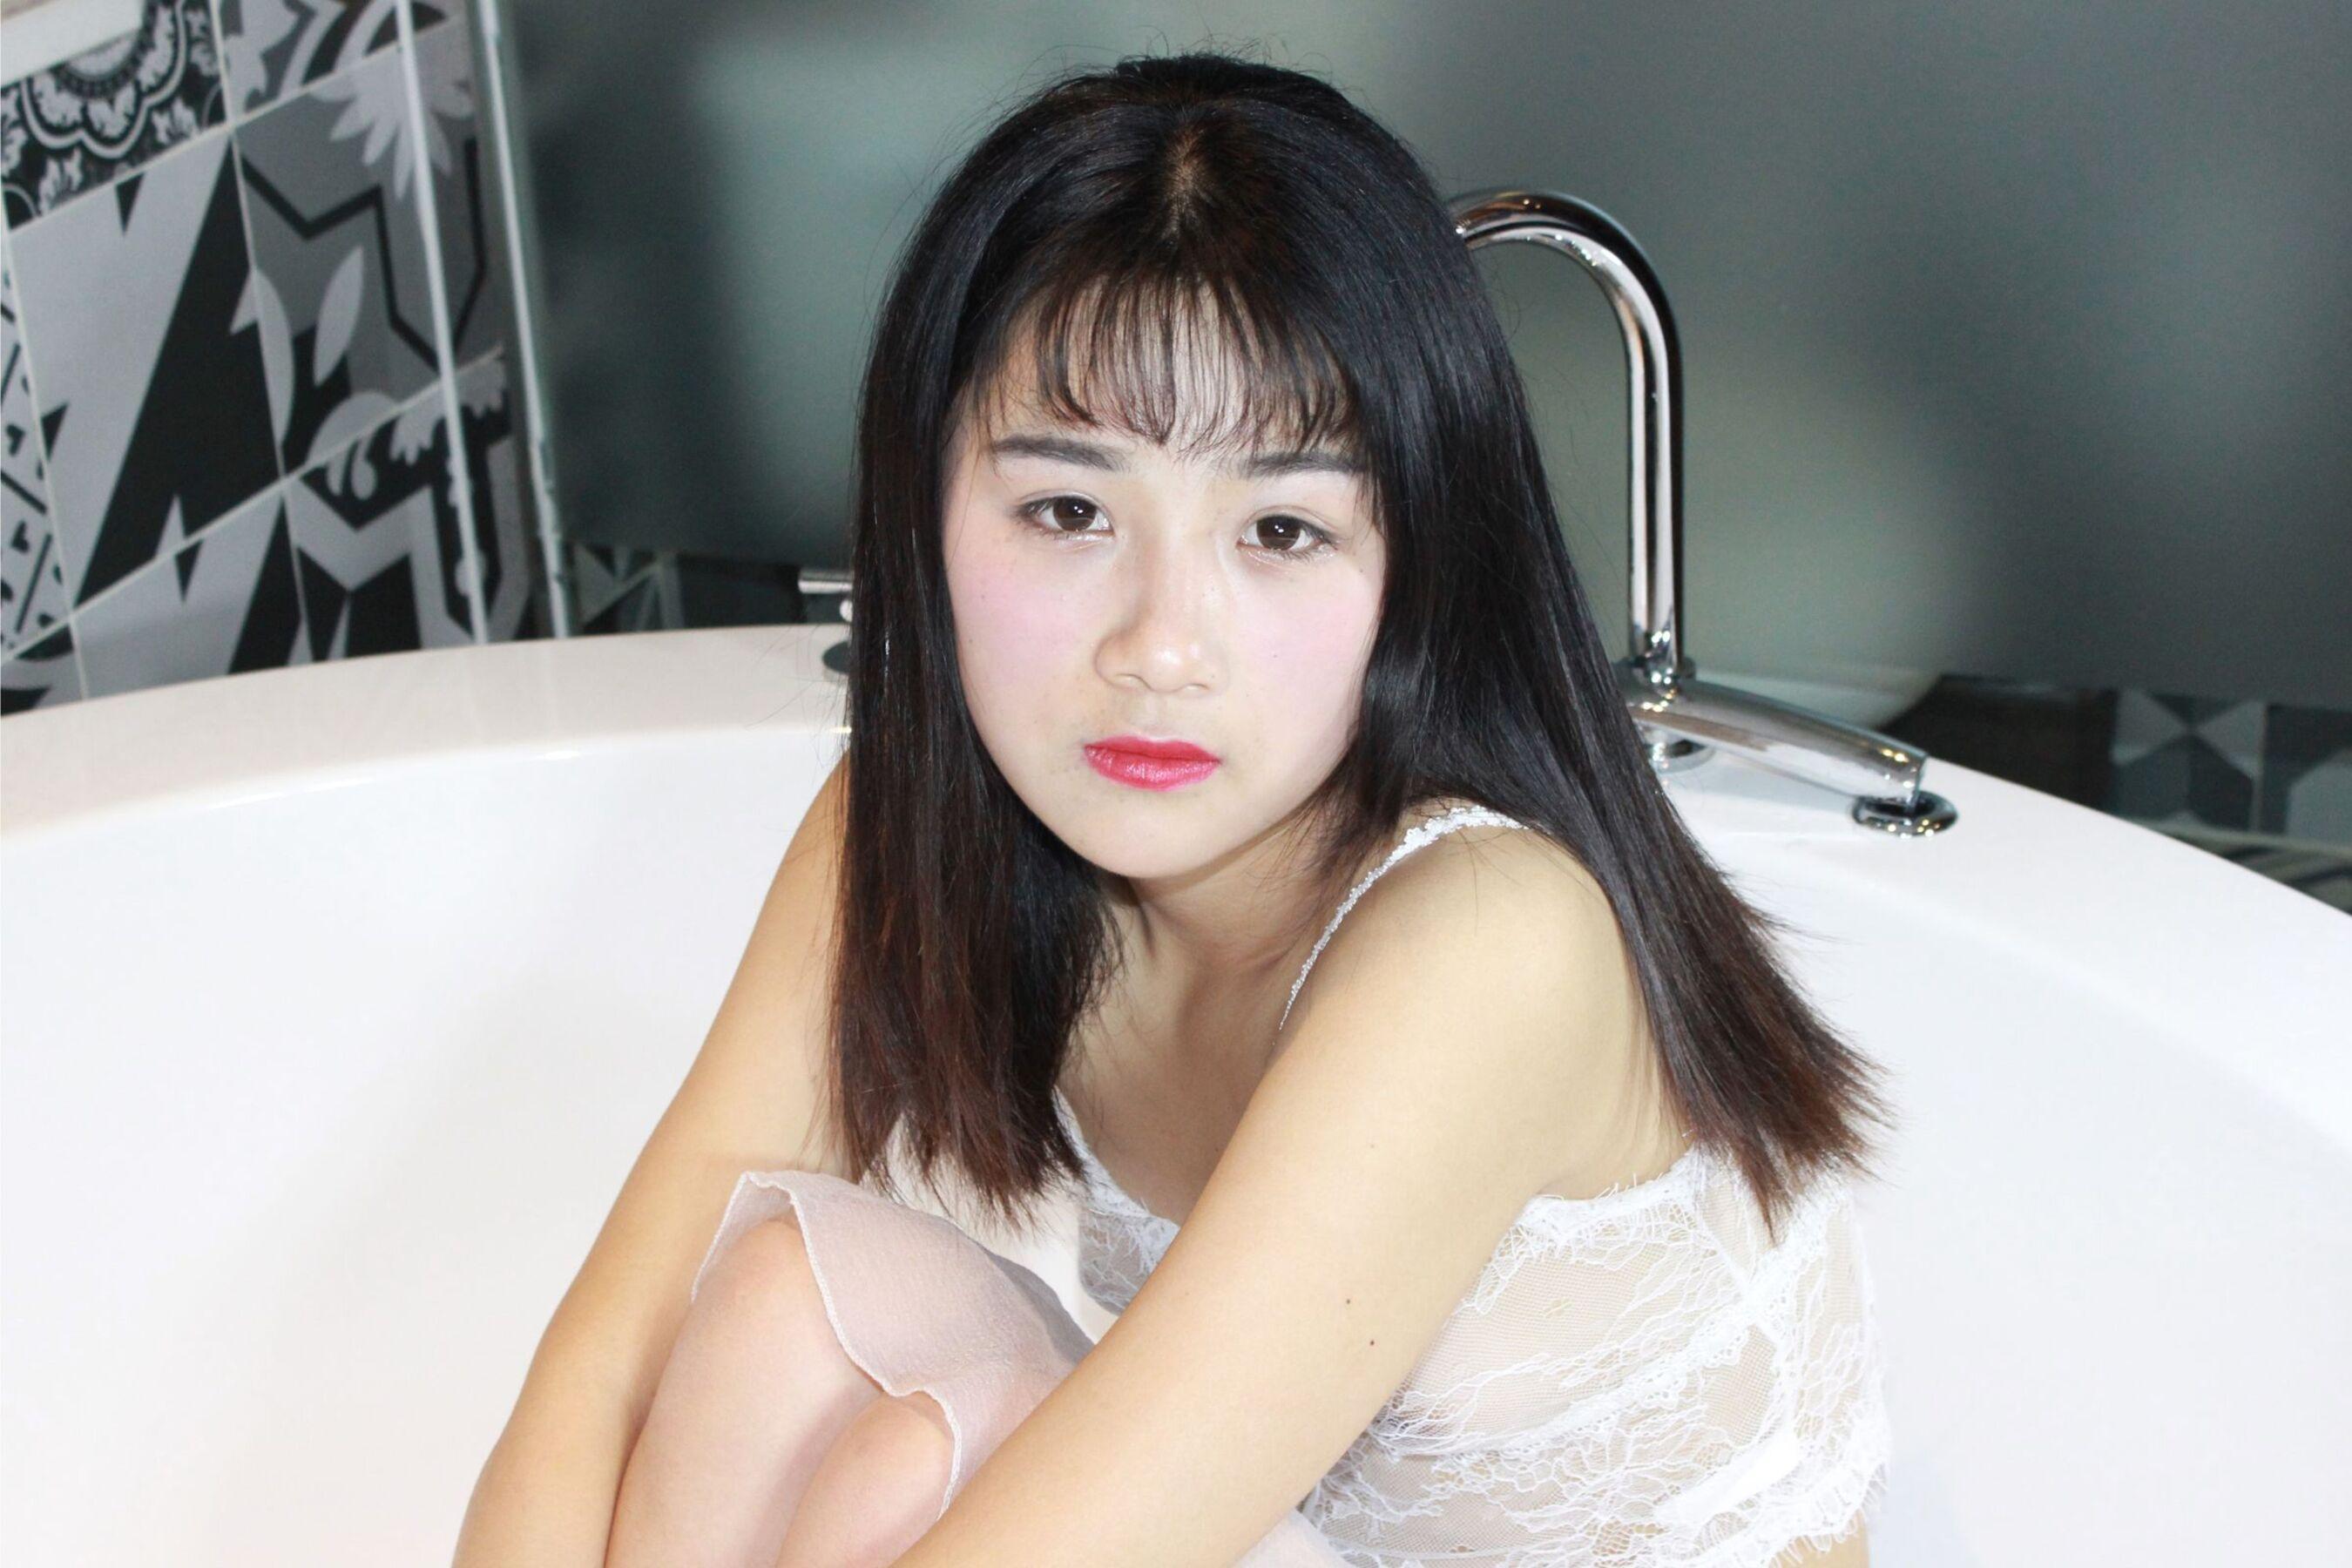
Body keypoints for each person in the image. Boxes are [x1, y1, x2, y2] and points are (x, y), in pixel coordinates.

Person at [454, 46, 1897, 1568]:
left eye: (1279, 531)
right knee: (778, 1311)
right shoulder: (919, 822)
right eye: (1069, 510)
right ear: (925, 505)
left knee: (900, 1466)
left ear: (1417, 560)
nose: (1158, 648)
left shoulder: (1491, 943)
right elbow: (600, 1374)